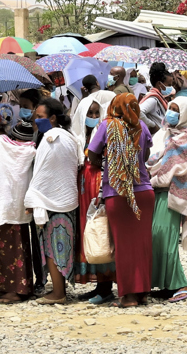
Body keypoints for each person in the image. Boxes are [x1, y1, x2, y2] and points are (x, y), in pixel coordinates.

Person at [87, 93, 154, 308]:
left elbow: (92, 155)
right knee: (142, 246)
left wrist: (110, 165)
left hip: (117, 192)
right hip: (144, 192)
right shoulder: (141, 126)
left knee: (123, 246)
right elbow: (145, 156)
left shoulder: (107, 126)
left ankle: (128, 296)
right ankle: (142, 293)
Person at [24, 98, 80, 304]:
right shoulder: (68, 137)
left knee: (52, 246)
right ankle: (58, 289)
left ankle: (58, 293)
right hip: (65, 198)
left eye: (39, 117)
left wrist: (33, 196)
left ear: (53, 118)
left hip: (51, 199)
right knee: (60, 245)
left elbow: (43, 171)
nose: (36, 121)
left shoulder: (51, 138)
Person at [147, 95, 187, 303]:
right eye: (171, 109)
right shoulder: (165, 133)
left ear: (185, 114)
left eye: (177, 111)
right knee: (157, 237)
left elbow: (167, 164)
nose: (172, 114)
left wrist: (151, 171)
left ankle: (181, 284)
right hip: (159, 190)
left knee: (165, 237)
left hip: (173, 192)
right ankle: (166, 284)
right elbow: (155, 157)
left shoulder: (186, 137)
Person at [0, 117, 37, 304]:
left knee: (4, 249)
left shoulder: (0, 146)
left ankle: (11, 290)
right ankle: (23, 287)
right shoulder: (32, 151)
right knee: (20, 248)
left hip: (1, 204)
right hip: (21, 207)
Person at [70, 93, 115, 303]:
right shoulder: (76, 137)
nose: (94, 116)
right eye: (90, 113)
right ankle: (98, 284)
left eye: (97, 112)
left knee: (100, 232)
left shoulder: (103, 133)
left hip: (97, 185)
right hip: (82, 189)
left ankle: (105, 286)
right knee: (87, 232)